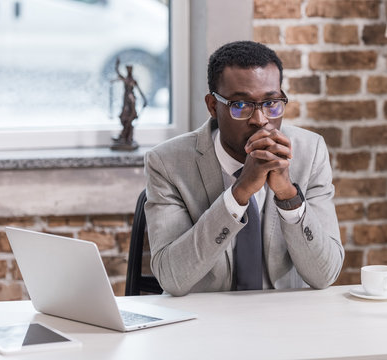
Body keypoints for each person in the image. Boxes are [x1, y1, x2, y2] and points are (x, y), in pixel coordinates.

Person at [144, 41, 344, 296]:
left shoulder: (309, 151)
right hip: (206, 321)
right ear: (213, 106)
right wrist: (239, 193)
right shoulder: (167, 162)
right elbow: (172, 278)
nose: (260, 120)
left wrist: (288, 195)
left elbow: (324, 275)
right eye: (241, 105)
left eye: (272, 103)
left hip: (287, 320)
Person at [111, 58, 147, 150]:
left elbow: (140, 91)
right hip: (126, 101)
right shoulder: (125, 79)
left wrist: (144, 99)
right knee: (124, 118)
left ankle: (127, 137)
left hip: (131, 102)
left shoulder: (133, 81)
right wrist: (117, 65)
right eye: (127, 69)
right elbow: (118, 73)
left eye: (130, 69)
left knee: (130, 118)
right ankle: (124, 137)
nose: (129, 70)